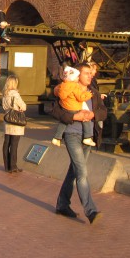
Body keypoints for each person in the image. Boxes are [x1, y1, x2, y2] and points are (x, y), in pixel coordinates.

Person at [52, 62, 106, 224]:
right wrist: (74, 117)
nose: (90, 75)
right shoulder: (67, 89)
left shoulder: (93, 93)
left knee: (74, 171)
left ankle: (62, 204)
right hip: (72, 134)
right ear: (78, 75)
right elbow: (55, 110)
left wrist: (93, 115)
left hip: (88, 137)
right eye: (86, 73)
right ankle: (91, 211)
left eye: (91, 73)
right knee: (82, 172)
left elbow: (104, 111)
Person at [51, 66, 95, 147]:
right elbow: (81, 97)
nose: (90, 76)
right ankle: (87, 137)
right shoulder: (74, 86)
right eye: (86, 73)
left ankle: (57, 137)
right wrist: (89, 95)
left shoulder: (62, 86)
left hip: (66, 108)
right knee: (86, 119)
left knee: (63, 123)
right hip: (74, 112)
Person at [1, 74, 27, 173]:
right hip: (16, 121)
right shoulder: (15, 94)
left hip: (7, 120)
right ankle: (13, 166)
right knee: (14, 144)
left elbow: (4, 107)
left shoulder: (5, 94)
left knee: (6, 143)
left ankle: (7, 166)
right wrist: (20, 108)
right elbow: (23, 106)